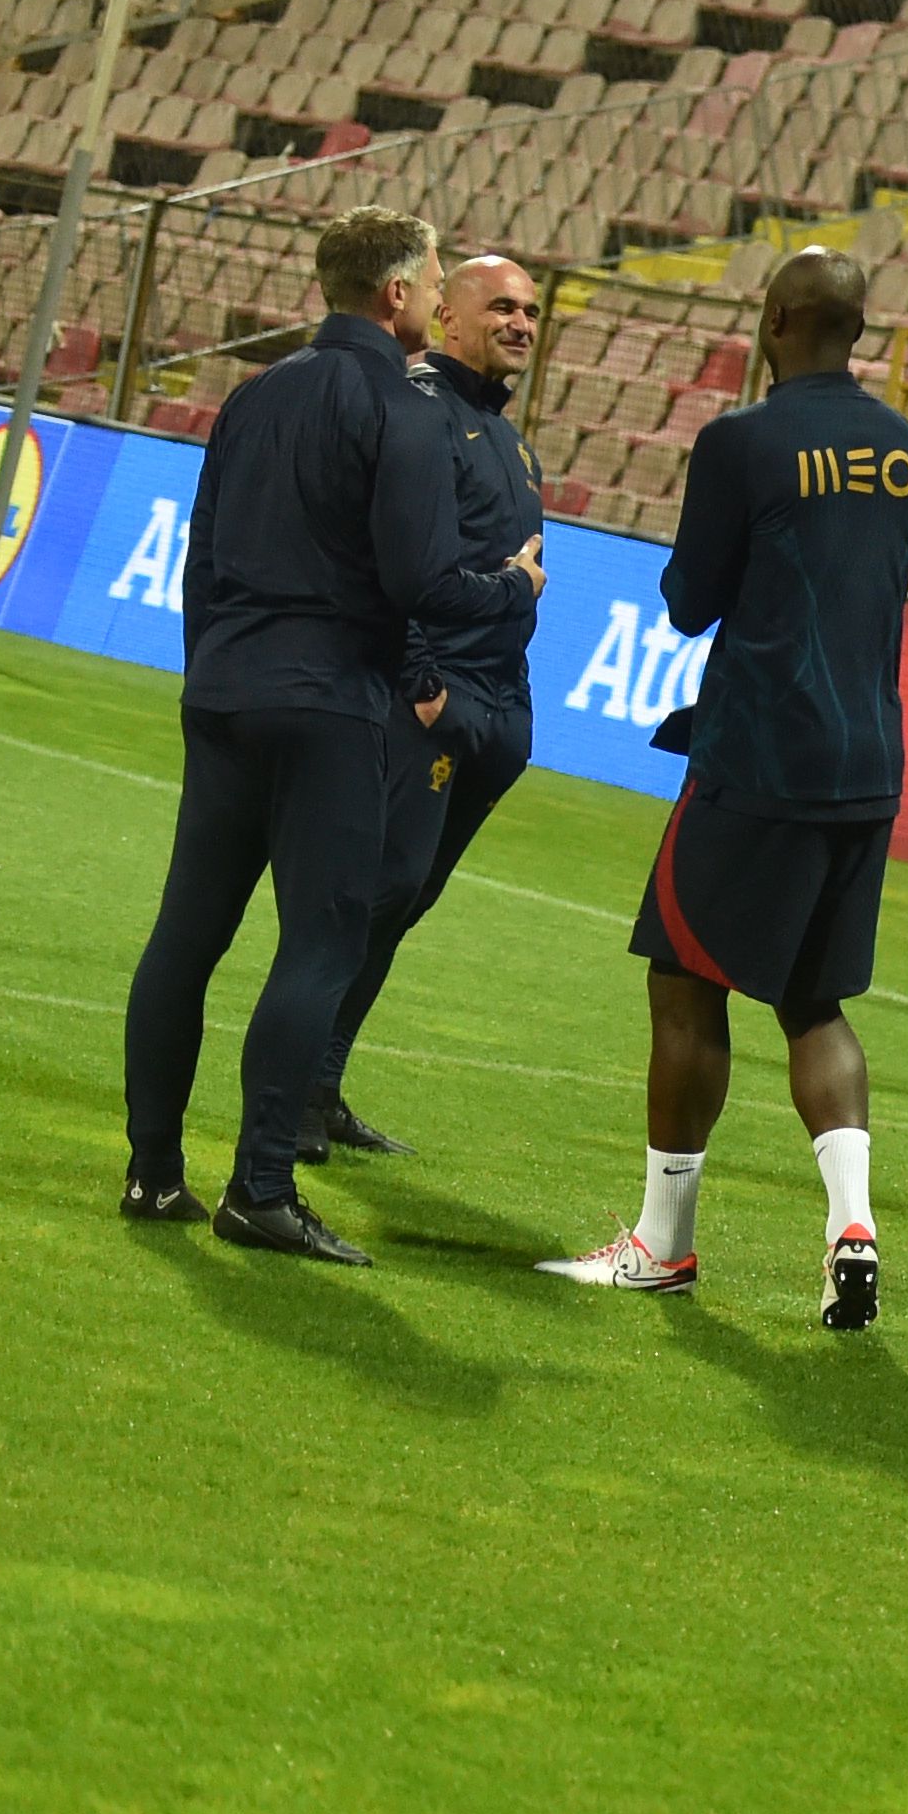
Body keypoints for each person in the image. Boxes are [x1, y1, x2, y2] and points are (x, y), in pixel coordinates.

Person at [123, 206, 537, 1260]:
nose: (438, 295)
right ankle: (260, 1187)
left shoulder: (255, 393)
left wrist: (211, 671)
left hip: (226, 689)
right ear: (396, 294)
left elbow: (201, 556)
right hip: (331, 702)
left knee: (186, 937)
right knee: (323, 940)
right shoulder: (403, 409)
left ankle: (153, 1173)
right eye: (433, 280)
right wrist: (511, 587)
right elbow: (422, 582)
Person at [545, 249, 908, 1322]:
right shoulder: (902, 444)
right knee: (813, 1001)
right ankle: (852, 1222)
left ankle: (663, 1245)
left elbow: (689, 601)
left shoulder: (742, 440)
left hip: (760, 757)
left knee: (683, 981)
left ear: (777, 319)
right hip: (868, 763)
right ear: (857, 327)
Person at [308, 248, 551, 1159]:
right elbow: (391, 559)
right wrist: (421, 683)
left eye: (531, 311)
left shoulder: (511, 439)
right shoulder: (419, 411)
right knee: (378, 895)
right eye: (501, 307)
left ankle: (321, 1085)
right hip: (432, 703)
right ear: (447, 314)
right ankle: (293, 1094)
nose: (521, 323)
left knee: (403, 903)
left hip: (495, 709)